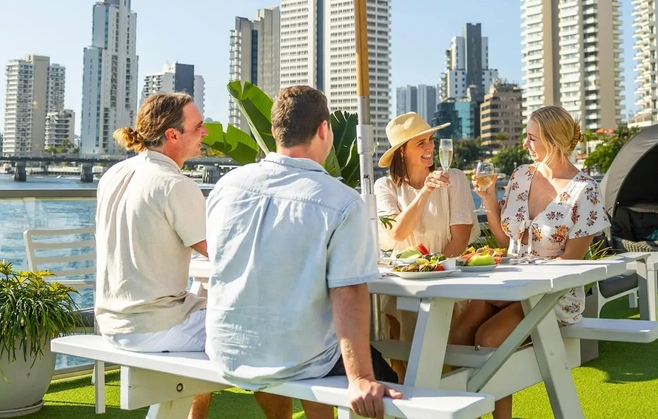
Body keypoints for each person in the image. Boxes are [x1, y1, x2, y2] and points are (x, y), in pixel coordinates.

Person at [205, 85, 400, 419]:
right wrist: (362, 378)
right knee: (391, 381)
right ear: (324, 130)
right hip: (298, 357)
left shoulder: (226, 187)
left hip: (227, 352)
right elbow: (349, 291)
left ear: (274, 132)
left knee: (313, 337)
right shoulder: (340, 201)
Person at [451, 105, 610, 419]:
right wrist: (488, 202)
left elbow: (571, 266)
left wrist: (519, 288)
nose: (525, 144)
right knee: (456, 336)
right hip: (508, 284)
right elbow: (504, 243)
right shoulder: (521, 176)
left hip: (552, 295)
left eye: (531, 138)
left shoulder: (585, 191)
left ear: (553, 142)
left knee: (489, 338)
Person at [95, 92, 212, 419]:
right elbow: (221, 254)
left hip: (112, 323)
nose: (205, 133)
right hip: (155, 327)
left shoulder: (113, 176)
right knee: (253, 325)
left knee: (209, 310)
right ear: (172, 135)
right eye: (198, 126)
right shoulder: (174, 184)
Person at [373, 113, 478, 357]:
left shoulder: (455, 179)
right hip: (404, 284)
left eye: (430, 139)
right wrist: (425, 192)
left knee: (442, 359)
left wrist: (434, 272)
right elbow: (397, 232)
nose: (430, 146)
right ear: (402, 152)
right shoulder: (385, 187)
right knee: (403, 359)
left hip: (447, 281)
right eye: (421, 142)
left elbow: (460, 238)